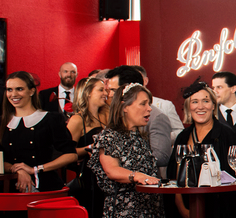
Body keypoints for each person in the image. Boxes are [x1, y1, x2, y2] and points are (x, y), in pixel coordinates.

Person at [166, 79, 236, 218]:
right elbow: (174, 180)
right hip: (186, 209)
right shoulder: (182, 137)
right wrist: (182, 209)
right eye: (195, 101)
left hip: (221, 211)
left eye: (205, 101)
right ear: (188, 106)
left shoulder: (227, 135)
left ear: (214, 105)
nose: (200, 106)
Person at [88, 83, 164, 218]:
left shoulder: (139, 137)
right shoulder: (110, 136)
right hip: (124, 210)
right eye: (143, 104)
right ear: (125, 107)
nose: (149, 109)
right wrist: (139, 176)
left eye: (149, 104)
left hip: (149, 209)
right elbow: (112, 170)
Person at [1, 71, 77, 193]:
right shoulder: (2, 122)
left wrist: (35, 170)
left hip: (46, 187)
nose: (13, 94)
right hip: (9, 190)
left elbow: (71, 155)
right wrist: (18, 170)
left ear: (32, 91)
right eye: (9, 90)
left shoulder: (52, 119)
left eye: (19, 89)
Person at [106, 66, 173, 174]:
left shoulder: (156, 117)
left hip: (146, 184)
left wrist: (125, 160)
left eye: (114, 90)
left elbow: (162, 157)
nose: (109, 95)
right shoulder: (112, 119)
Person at [66, 77, 109, 218]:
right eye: (101, 89)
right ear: (88, 92)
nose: (106, 93)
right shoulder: (77, 120)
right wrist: (89, 148)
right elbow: (67, 152)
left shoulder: (106, 115)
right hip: (90, 178)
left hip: (109, 174)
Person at [133, 66, 184, 140]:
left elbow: (179, 132)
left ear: (145, 80)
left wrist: (160, 137)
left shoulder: (165, 105)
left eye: (138, 79)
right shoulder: (123, 106)